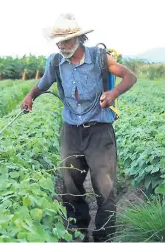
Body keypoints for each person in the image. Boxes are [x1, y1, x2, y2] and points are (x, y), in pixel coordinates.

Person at [20, 13, 137, 242]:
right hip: (71, 130)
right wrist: (30, 95)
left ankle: (103, 235)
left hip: (99, 131)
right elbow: (43, 84)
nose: (62, 46)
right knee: (71, 185)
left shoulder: (99, 58)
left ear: (79, 39)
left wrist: (113, 93)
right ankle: (78, 232)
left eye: (66, 41)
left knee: (104, 187)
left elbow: (129, 77)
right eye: (59, 42)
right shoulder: (55, 62)